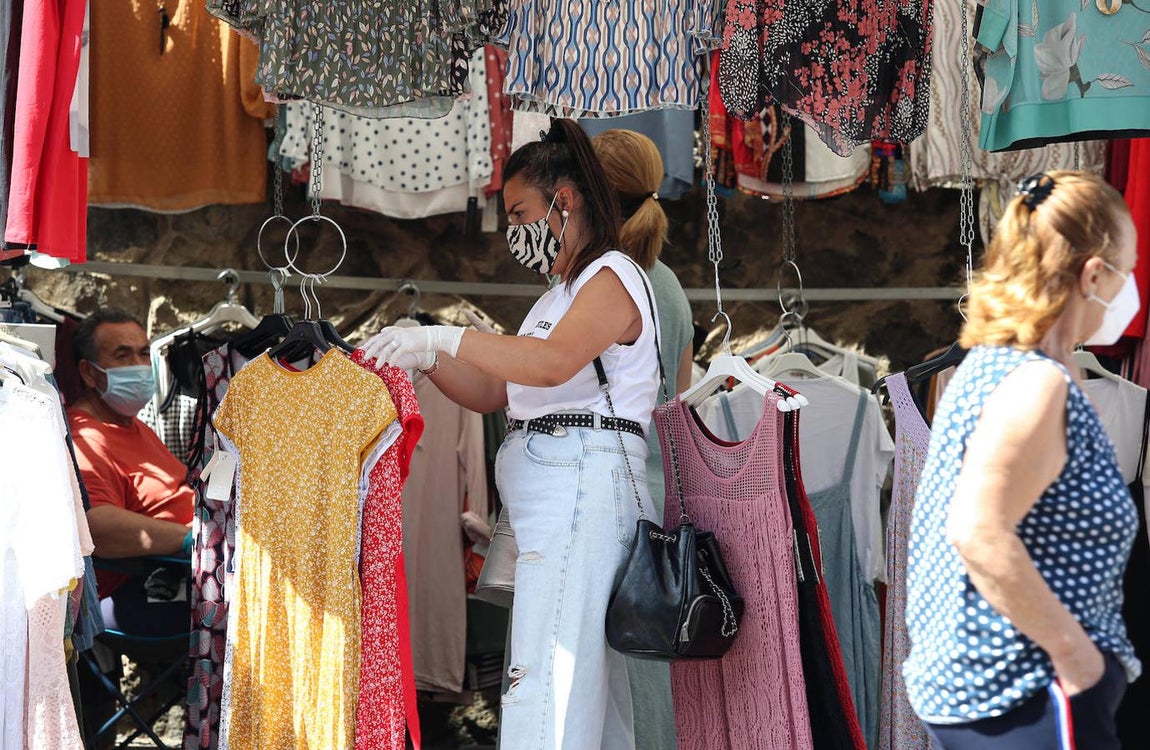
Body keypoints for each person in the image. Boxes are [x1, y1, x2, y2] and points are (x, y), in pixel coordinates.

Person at [364, 119, 660, 750]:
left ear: (566, 200)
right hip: (557, 492)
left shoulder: (613, 275)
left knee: (550, 669)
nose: (513, 230)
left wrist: (443, 336)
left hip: (581, 485)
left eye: (520, 210)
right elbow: (497, 391)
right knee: (574, 675)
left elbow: (549, 364)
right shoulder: (560, 294)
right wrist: (427, 360)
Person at [904, 171, 1141, 750]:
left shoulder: (992, 367)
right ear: (1092, 274)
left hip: (1005, 695)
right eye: (1127, 270)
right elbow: (978, 530)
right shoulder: (1035, 383)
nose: (1131, 288)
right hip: (1030, 696)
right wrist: (1076, 656)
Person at [591, 128, 691, 750]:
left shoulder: (608, 285)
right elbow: (676, 405)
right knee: (647, 679)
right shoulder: (670, 286)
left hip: (612, 497)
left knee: (612, 683)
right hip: (655, 490)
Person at [69, 307, 194, 637]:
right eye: (123, 355)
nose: (139, 366)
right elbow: (97, 527)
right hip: (143, 588)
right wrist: (190, 539)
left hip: (184, 572)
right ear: (89, 373)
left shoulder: (130, 424)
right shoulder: (85, 438)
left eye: (143, 353)